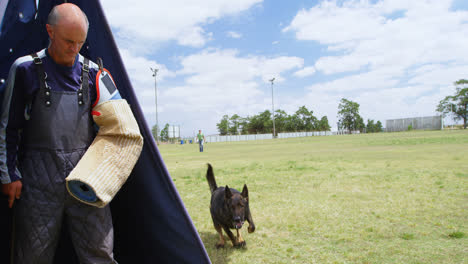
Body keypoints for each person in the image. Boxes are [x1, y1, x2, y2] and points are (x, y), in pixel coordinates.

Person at [0, 3, 117, 263]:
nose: (74, 48)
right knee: (32, 255)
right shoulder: (24, 69)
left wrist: (108, 174)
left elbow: (118, 128)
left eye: (80, 42)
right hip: (38, 180)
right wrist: (9, 176)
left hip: (85, 178)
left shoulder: (96, 74)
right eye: (68, 41)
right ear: (49, 31)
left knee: (99, 252)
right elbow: (9, 127)